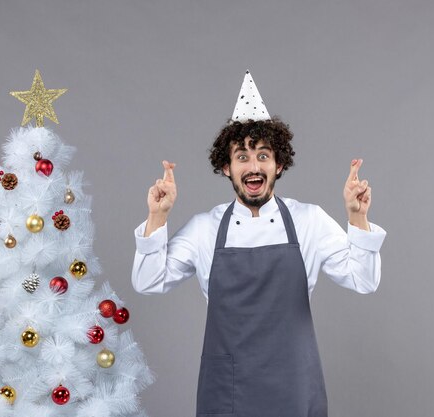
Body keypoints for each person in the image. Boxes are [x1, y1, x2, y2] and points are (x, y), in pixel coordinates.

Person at [131, 71, 387, 417]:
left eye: (263, 155)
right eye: (242, 156)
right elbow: (147, 281)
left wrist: (357, 217)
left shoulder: (309, 221)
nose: (254, 166)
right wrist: (157, 217)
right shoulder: (205, 229)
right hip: (227, 389)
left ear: (279, 164)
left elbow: (364, 280)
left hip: (294, 386)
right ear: (226, 167)